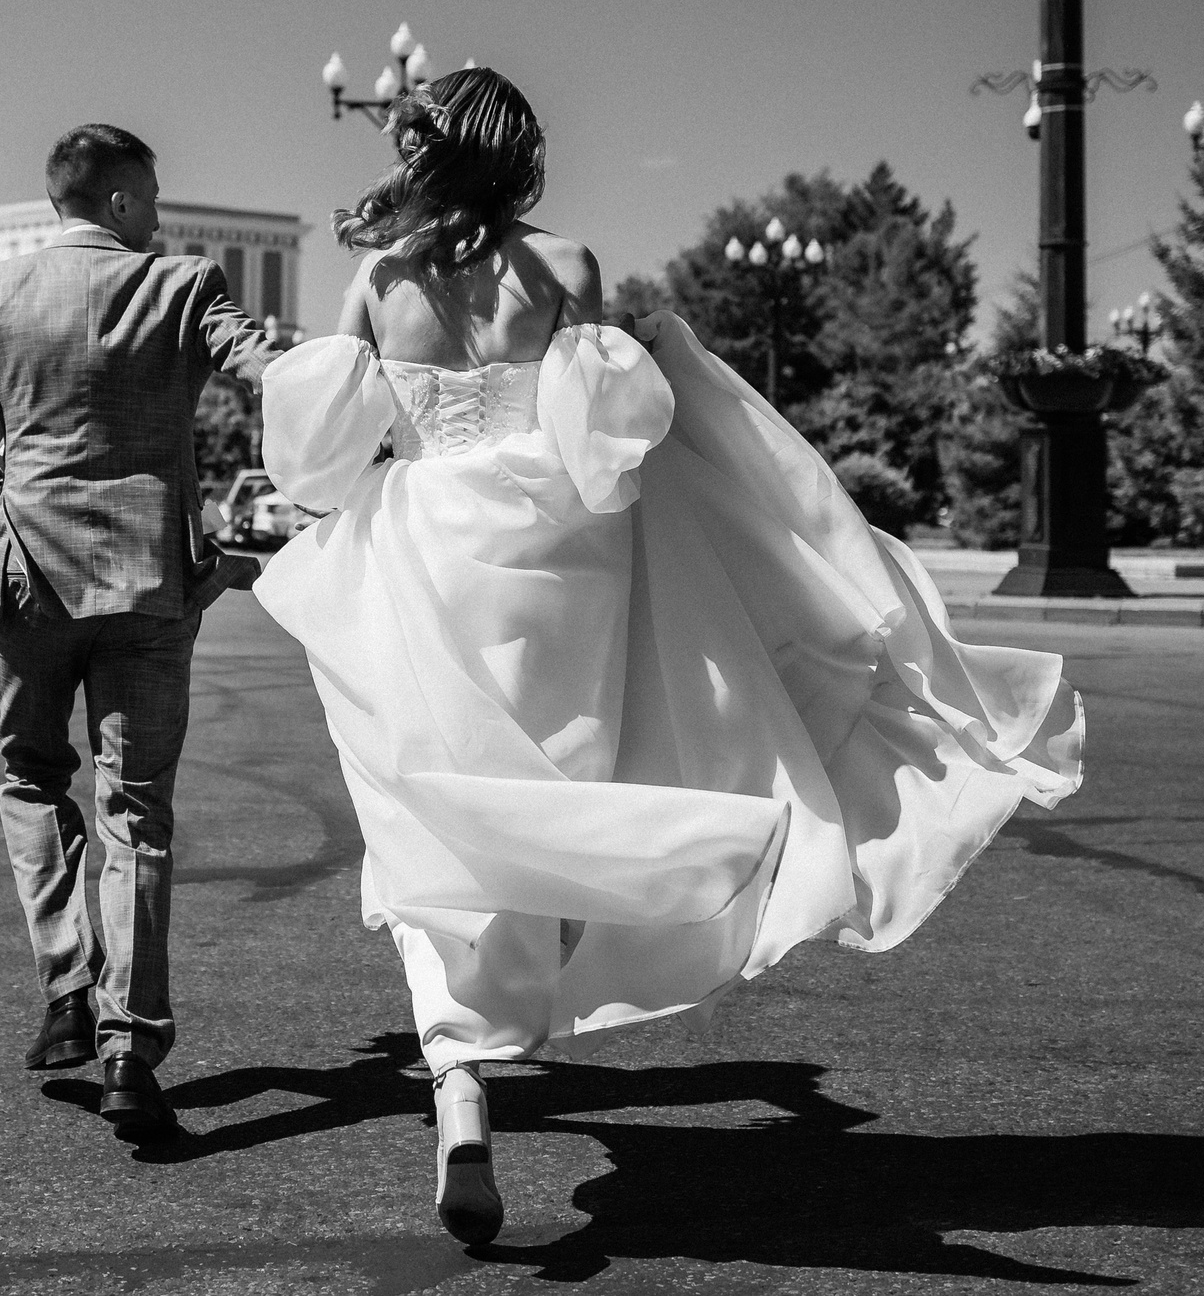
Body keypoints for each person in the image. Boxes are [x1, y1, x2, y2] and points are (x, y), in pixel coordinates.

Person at [253, 68, 1084, 1244]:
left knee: (435, 818)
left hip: (423, 558)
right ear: (521, 152)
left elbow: (321, 460)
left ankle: (460, 1090)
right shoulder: (570, 267)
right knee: (555, 792)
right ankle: (608, 918)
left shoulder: (382, 277)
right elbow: (608, 454)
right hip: (555, 562)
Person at [0, 122, 269, 1144]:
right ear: (117, 200)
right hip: (145, 587)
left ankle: (67, 981)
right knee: (137, 812)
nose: (157, 216)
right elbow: (261, 369)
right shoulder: (182, 285)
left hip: (22, 576)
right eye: (150, 196)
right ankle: (129, 1044)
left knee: (31, 777)